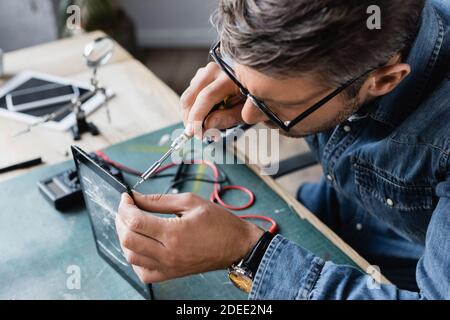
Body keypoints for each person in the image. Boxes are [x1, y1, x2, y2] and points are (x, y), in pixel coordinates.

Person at [115, 0, 450, 299]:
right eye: (247, 89)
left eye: (277, 105)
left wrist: (246, 253)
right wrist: (246, 73)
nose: (247, 115)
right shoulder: (337, 51)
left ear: (384, 81)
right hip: (342, 211)